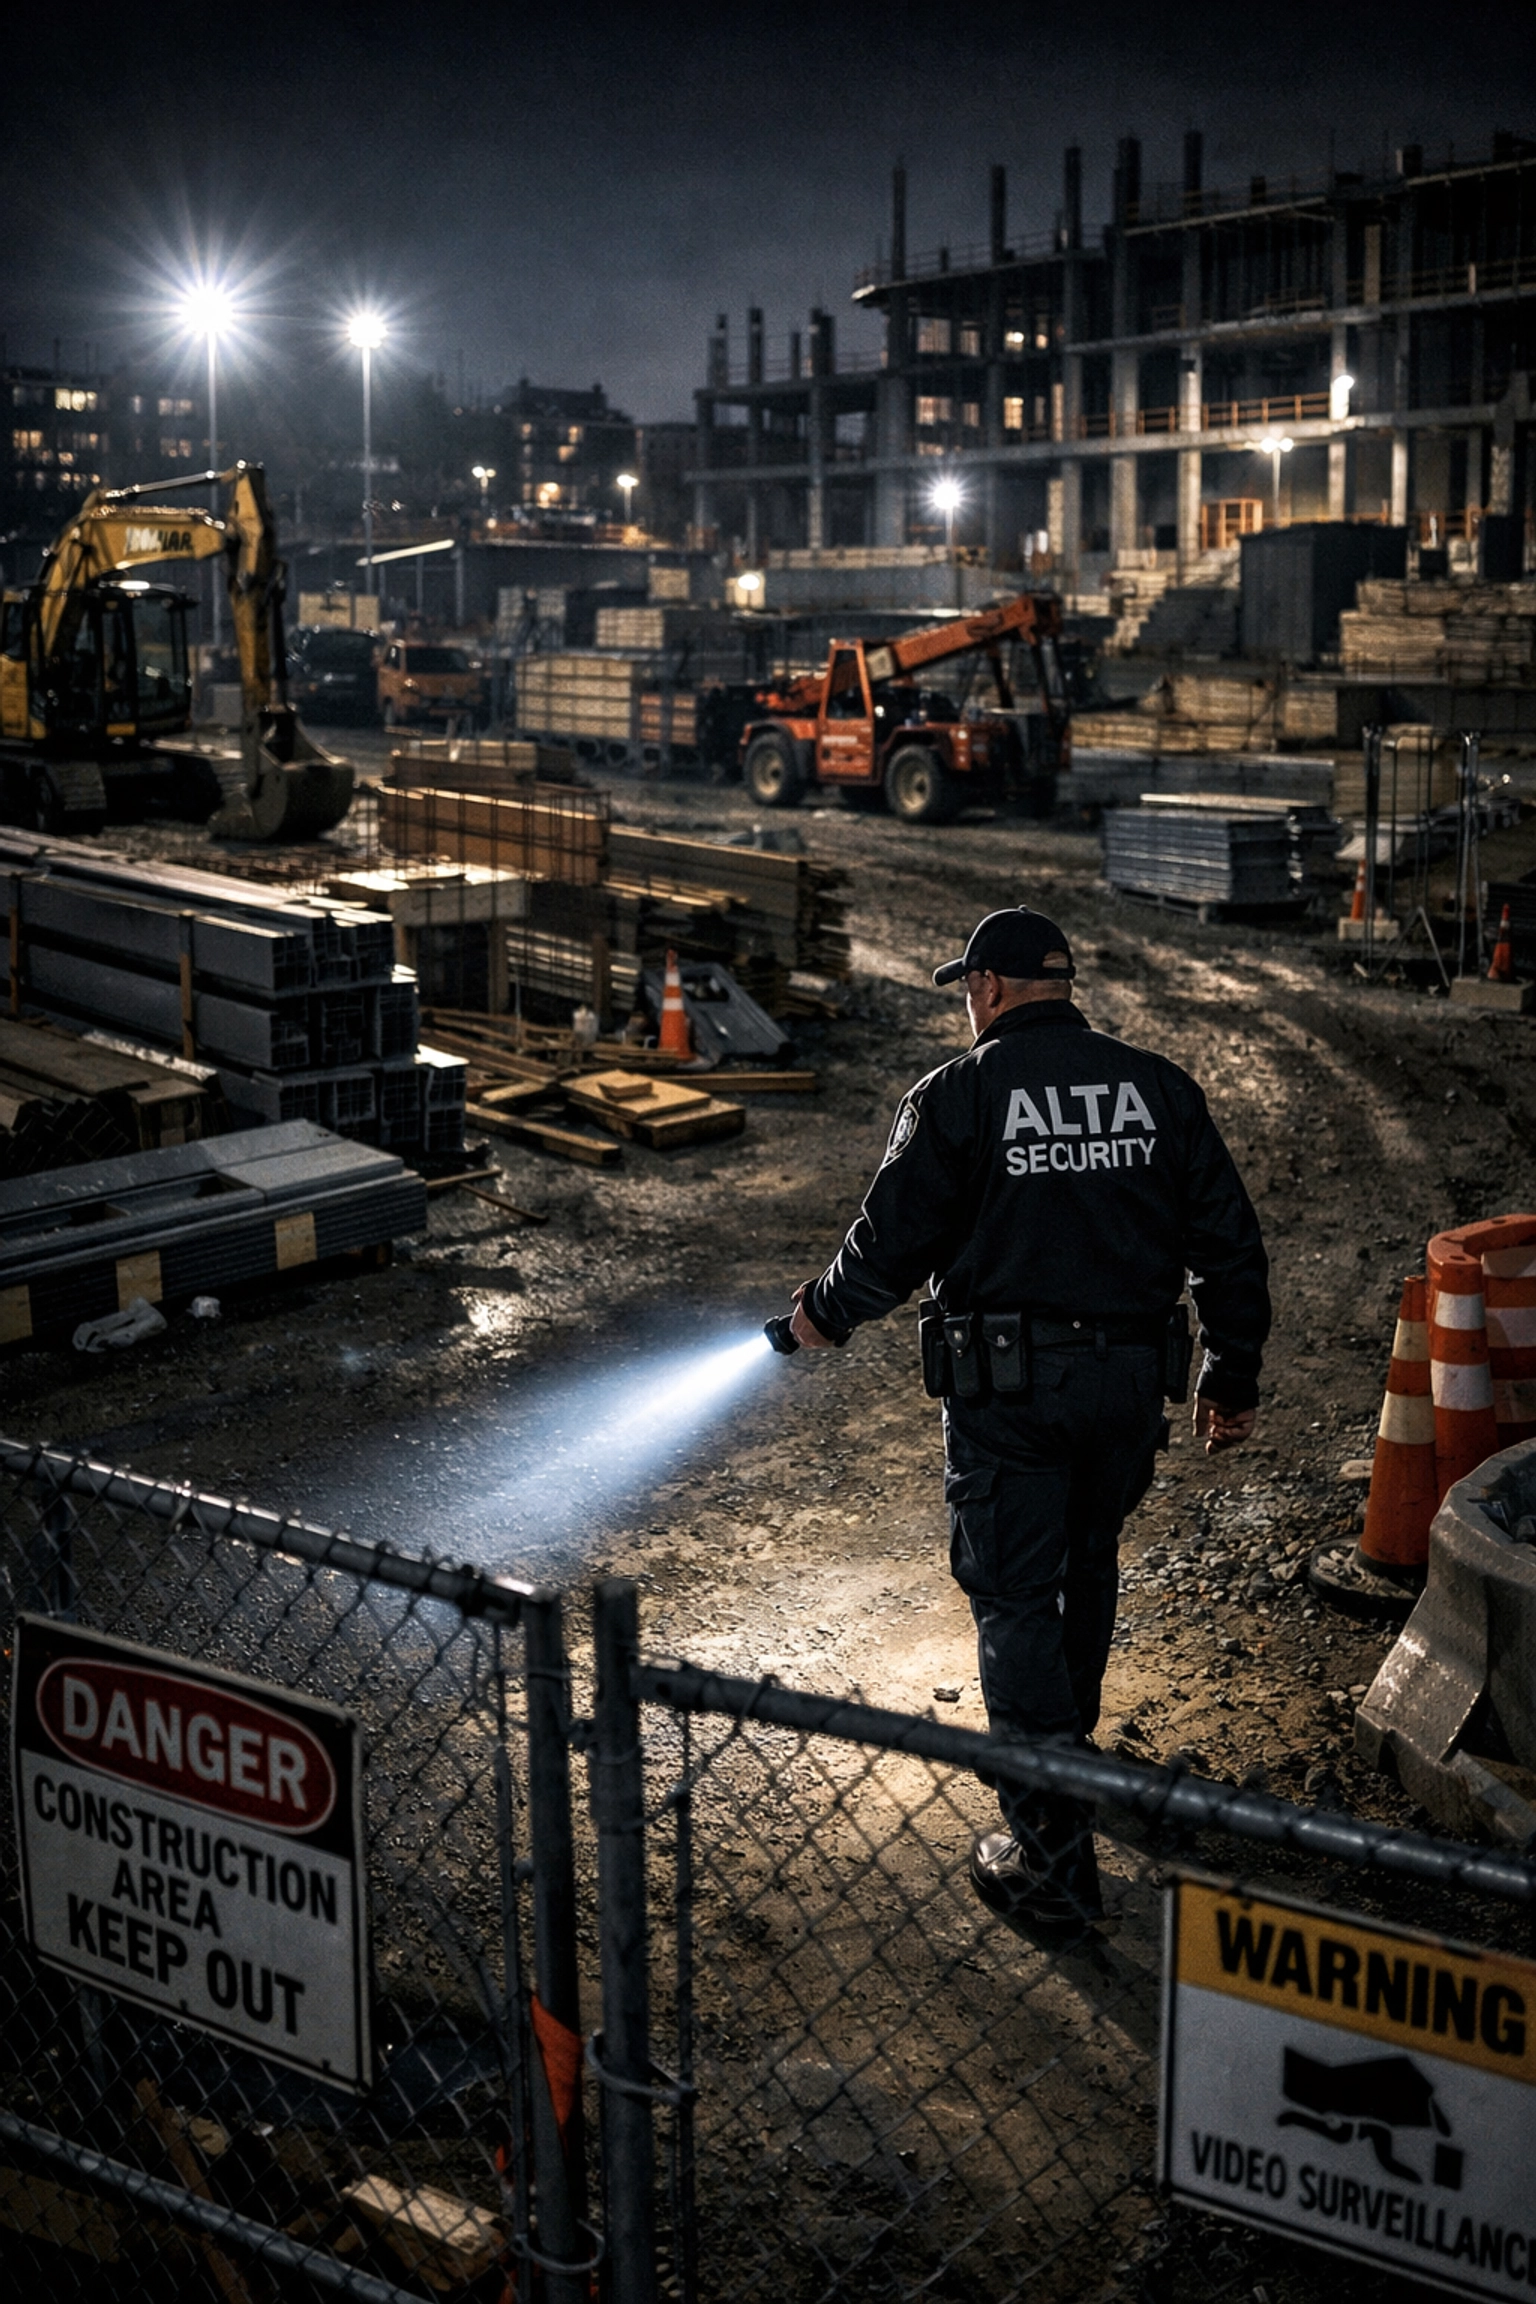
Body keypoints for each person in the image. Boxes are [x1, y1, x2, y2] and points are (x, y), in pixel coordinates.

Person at [782, 906, 1270, 1947]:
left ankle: (1050, 1857)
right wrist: (1230, 1372)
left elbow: (891, 1239)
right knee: (1087, 1568)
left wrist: (818, 1318)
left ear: (991, 989)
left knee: (1011, 1596)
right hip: (1127, 1387)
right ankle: (1068, 1760)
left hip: (1010, 1395)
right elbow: (1229, 1239)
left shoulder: (959, 1094)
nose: (969, 1003)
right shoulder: (1157, 1086)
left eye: (968, 989)